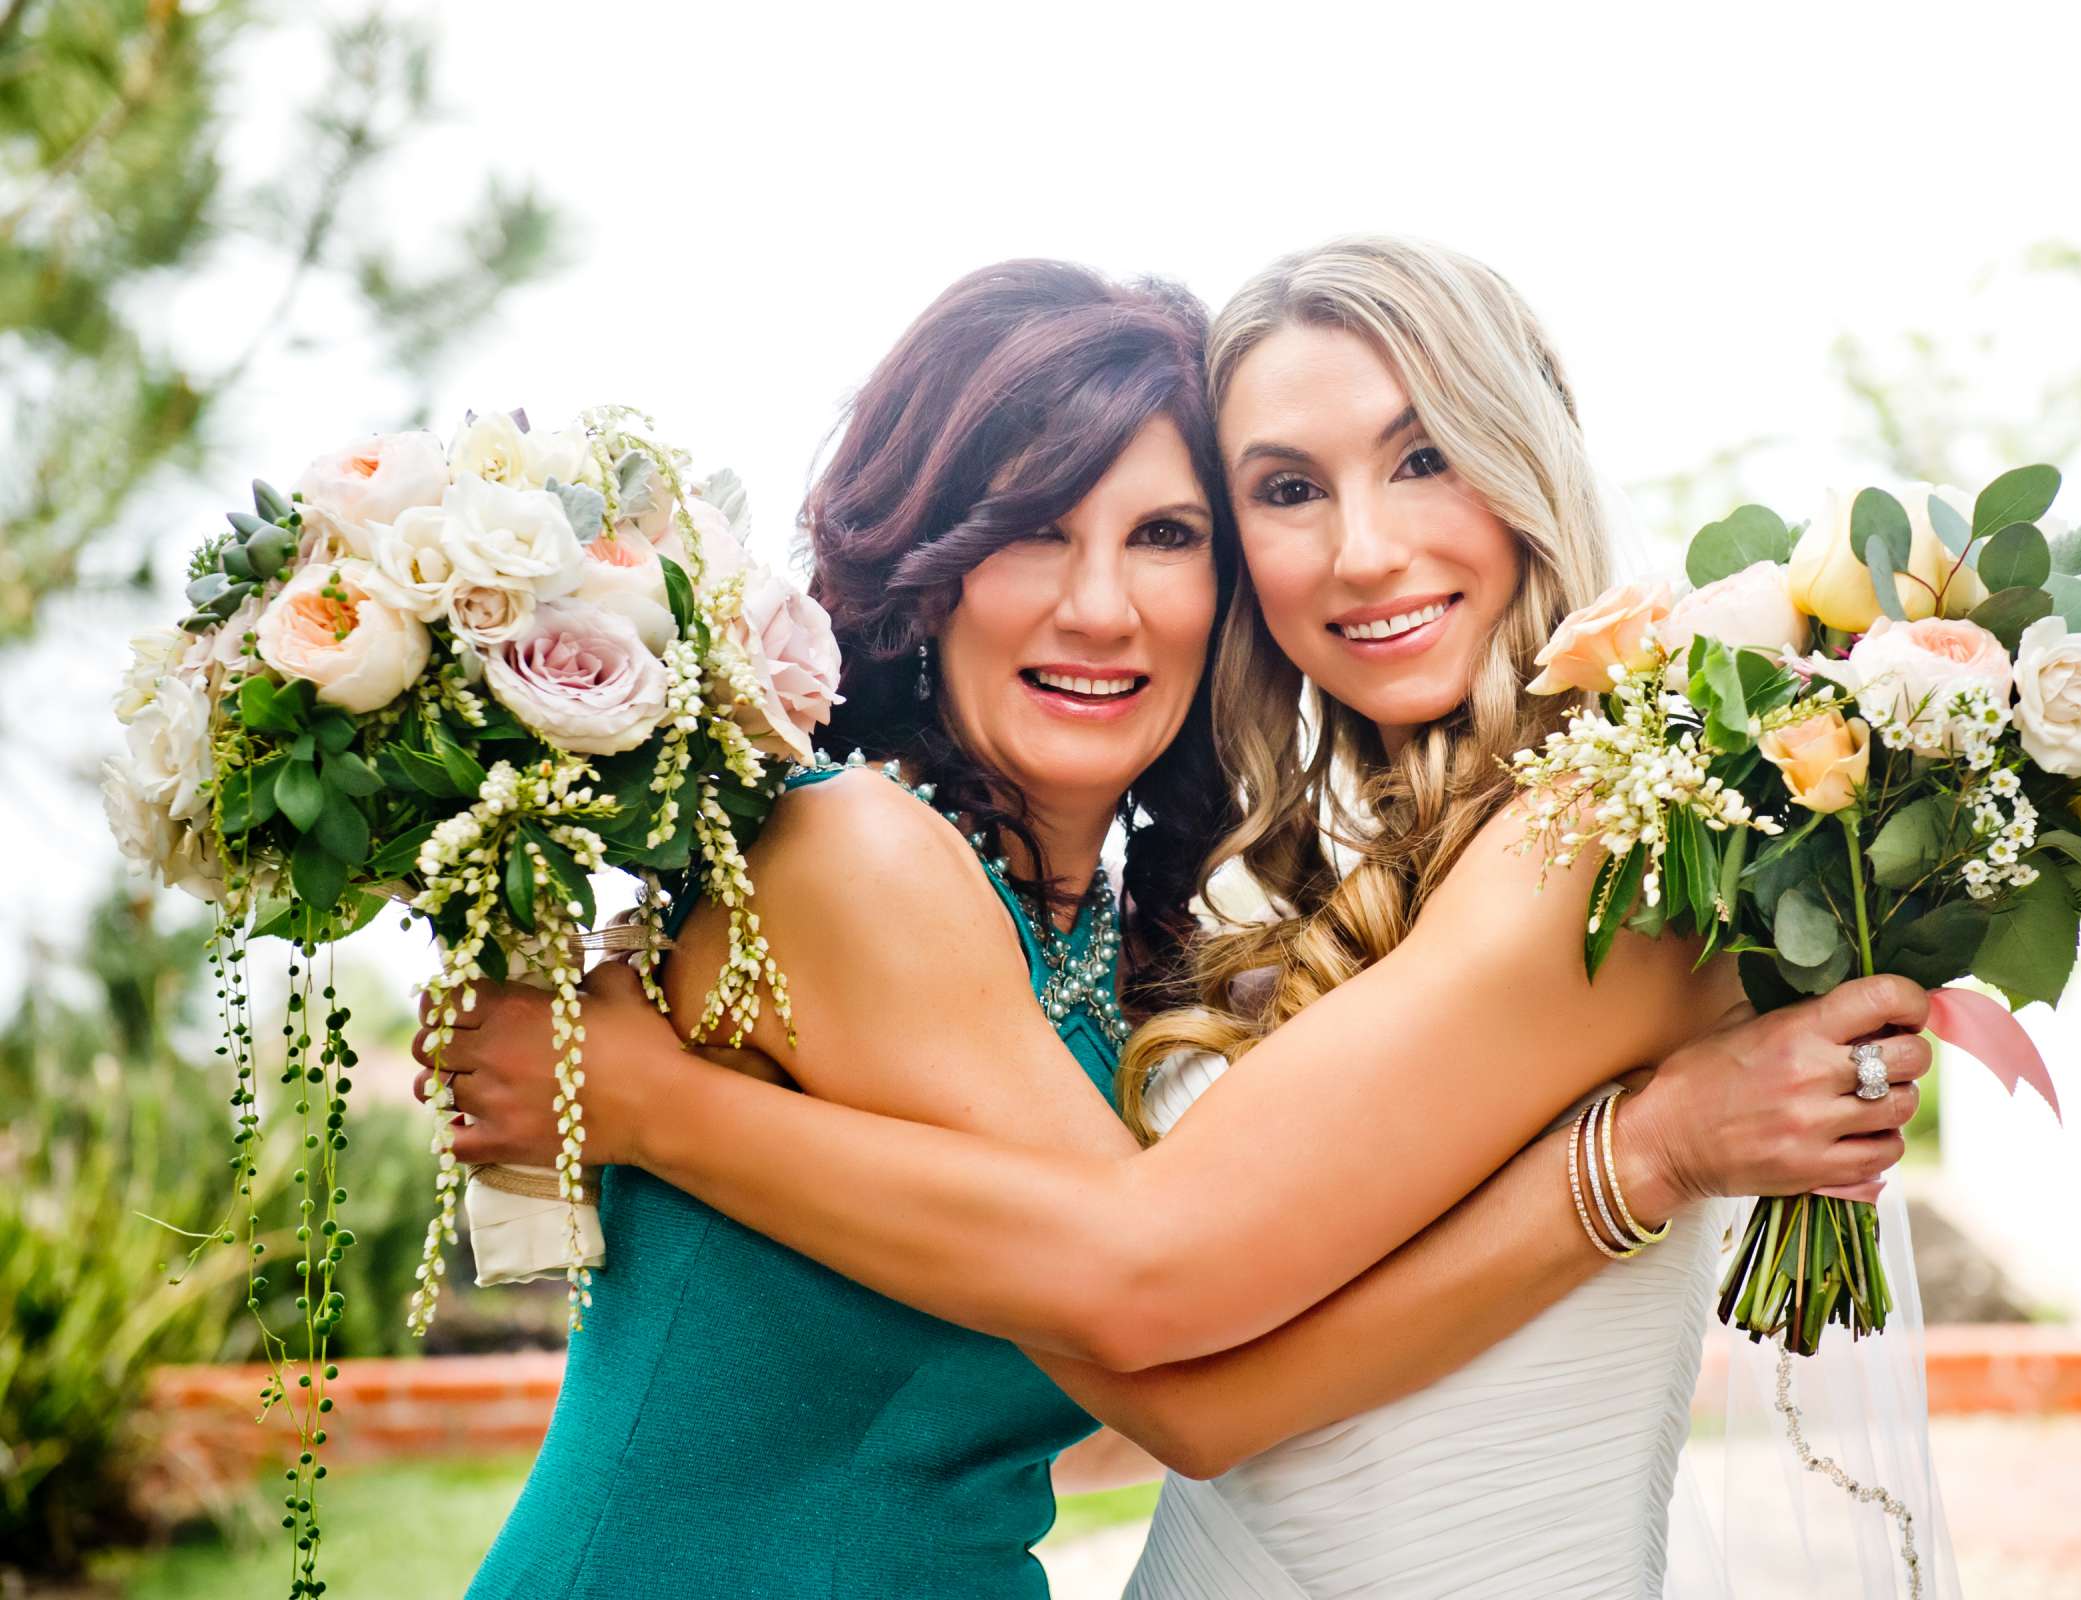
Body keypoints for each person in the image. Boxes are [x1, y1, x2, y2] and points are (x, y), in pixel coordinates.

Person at [437, 240, 1931, 1598]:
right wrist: (641, 1107)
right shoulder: (856, 851)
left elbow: (1164, 1360)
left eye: (1163, 535)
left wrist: (660, 1110)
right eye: (1031, 530)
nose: (1101, 606)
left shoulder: (1129, 952)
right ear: (925, 561)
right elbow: (1163, 1332)